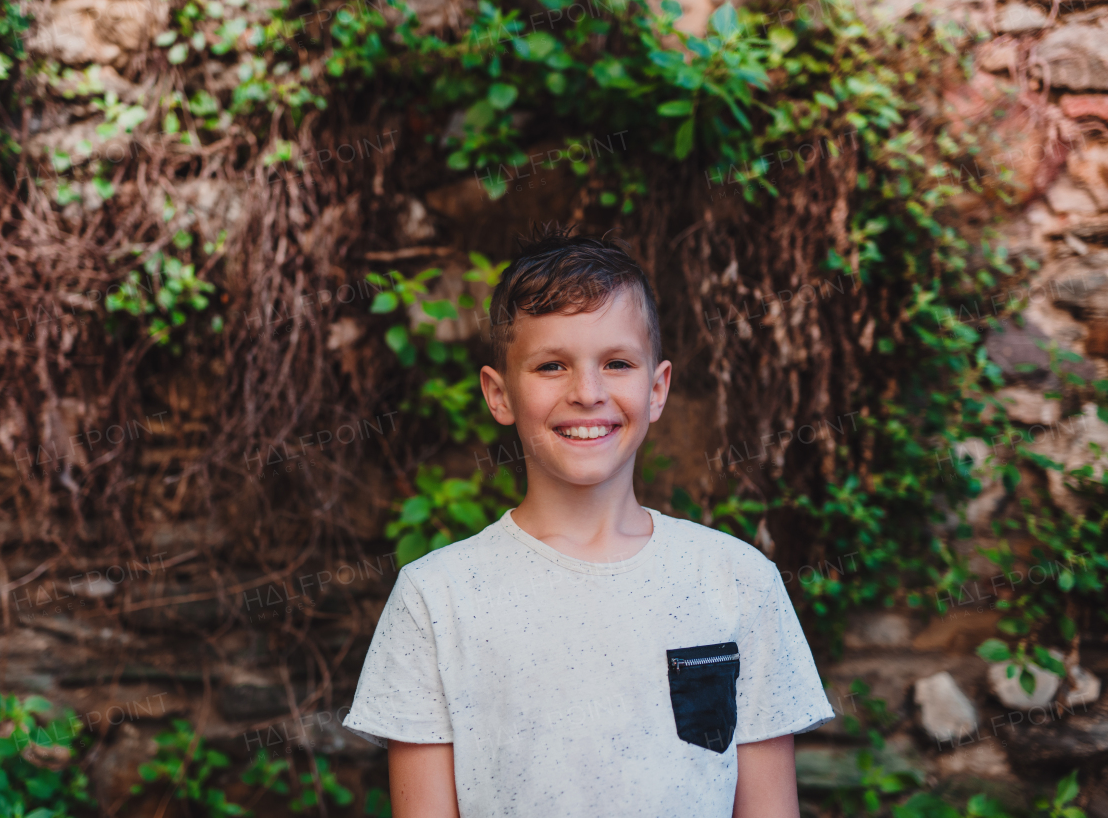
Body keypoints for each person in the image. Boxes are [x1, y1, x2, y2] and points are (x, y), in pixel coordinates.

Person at [342, 226, 834, 817]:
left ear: (658, 388)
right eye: (552, 365)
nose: (588, 392)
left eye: (617, 363)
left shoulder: (736, 580)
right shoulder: (436, 598)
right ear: (499, 395)